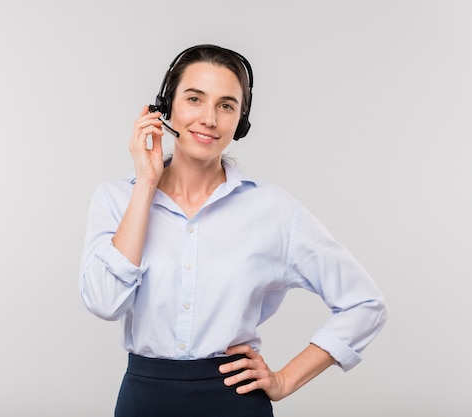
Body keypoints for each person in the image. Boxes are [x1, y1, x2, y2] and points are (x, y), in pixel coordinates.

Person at [79, 44, 388, 417]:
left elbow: (364, 303)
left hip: (234, 402)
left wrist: (286, 379)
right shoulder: (116, 199)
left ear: (240, 120)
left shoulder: (273, 210)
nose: (209, 118)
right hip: (144, 400)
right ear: (165, 108)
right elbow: (103, 301)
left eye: (226, 105)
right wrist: (146, 185)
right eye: (194, 98)